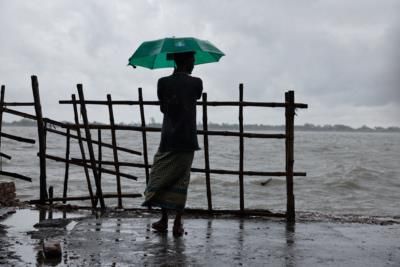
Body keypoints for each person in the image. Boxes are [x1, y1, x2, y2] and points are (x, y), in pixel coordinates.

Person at [142, 51, 203, 237]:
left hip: (168, 137)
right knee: (181, 179)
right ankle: (177, 223)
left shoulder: (163, 82)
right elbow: (197, 96)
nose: (194, 64)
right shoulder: (196, 82)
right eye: (192, 61)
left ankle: (164, 220)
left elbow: (163, 107)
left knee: (161, 176)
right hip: (187, 138)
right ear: (184, 62)